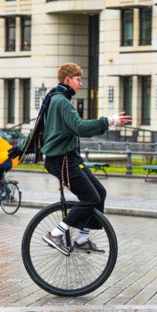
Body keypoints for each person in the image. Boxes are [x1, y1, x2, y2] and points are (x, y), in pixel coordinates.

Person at [37, 64, 109, 251]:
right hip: (62, 161)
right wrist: (107, 121)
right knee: (90, 197)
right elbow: (80, 127)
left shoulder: (56, 98)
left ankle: (82, 239)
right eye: (78, 79)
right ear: (67, 80)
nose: (81, 83)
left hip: (70, 159)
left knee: (99, 193)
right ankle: (56, 233)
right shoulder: (61, 101)